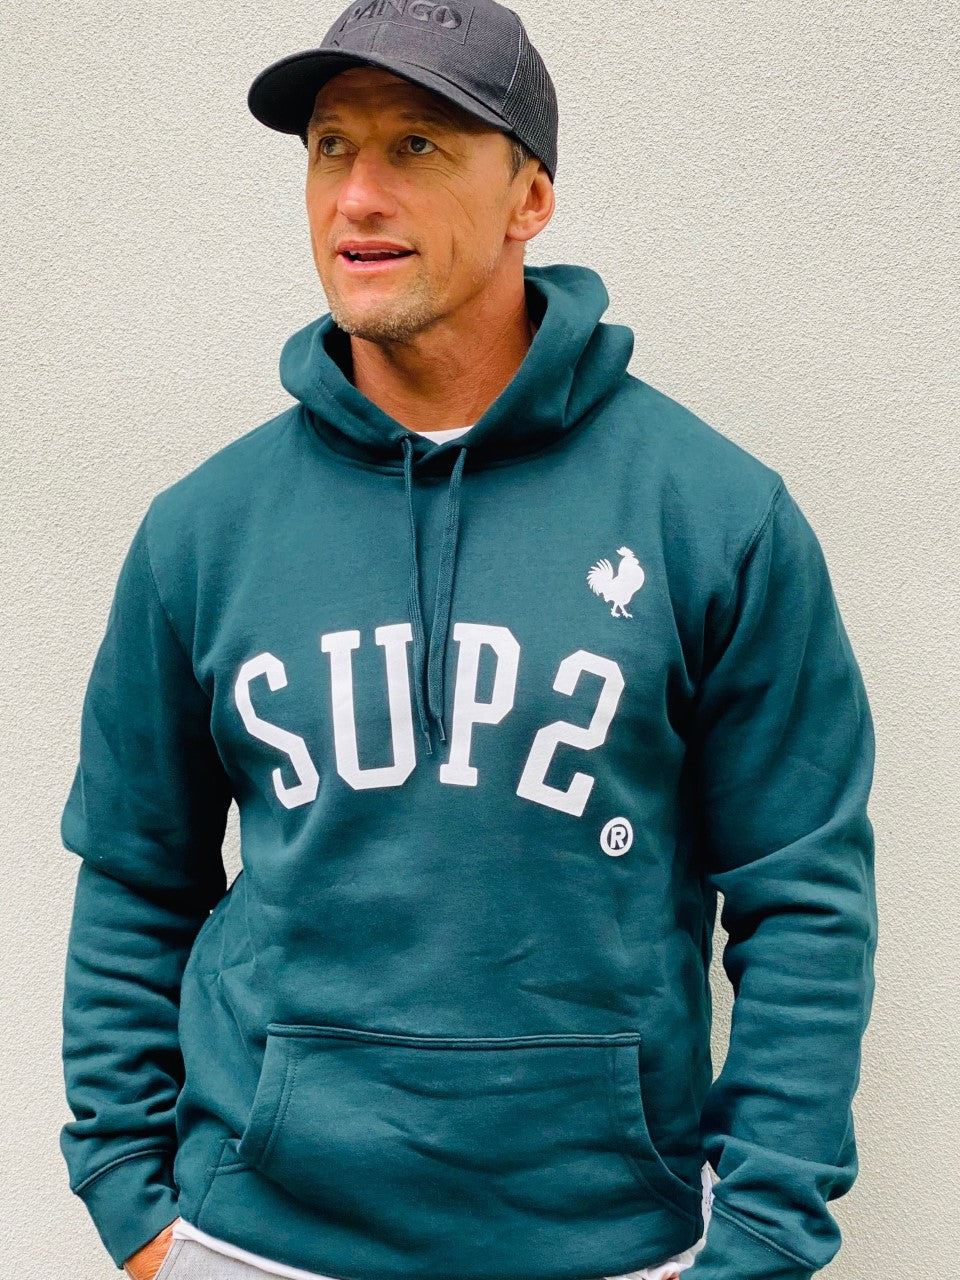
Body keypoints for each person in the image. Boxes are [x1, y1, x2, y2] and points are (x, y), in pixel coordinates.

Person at [58, 3, 877, 1280]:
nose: (358, 194)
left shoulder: (714, 517)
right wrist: (135, 1202)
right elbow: (134, 874)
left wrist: (760, 1234)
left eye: (418, 145)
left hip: (609, 1243)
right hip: (253, 1239)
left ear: (529, 195)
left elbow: (804, 898)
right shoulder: (203, 532)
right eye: (331, 147)